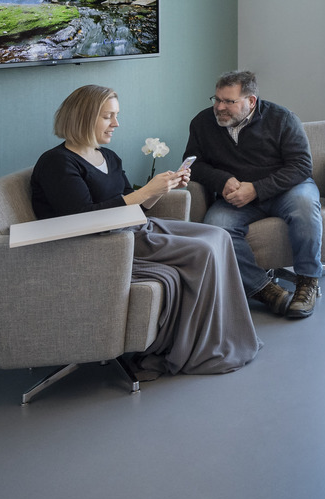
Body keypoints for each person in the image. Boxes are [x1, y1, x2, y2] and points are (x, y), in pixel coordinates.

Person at [30, 85, 261, 376]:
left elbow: (133, 205)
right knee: (202, 251)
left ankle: (231, 336)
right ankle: (197, 350)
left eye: (116, 115)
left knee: (219, 236)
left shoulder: (108, 157)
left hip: (136, 229)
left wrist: (160, 190)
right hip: (106, 245)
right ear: (84, 118)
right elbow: (82, 219)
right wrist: (144, 193)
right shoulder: (57, 163)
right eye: (108, 116)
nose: (116, 123)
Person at [185, 70, 325, 319]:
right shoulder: (202, 123)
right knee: (216, 227)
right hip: (237, 197)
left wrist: (257, 189)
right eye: (217, 99)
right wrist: (223, 180)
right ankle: (266, 290)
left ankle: (307, 283)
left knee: (305, 205)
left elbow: (302, 166)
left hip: (287, 189)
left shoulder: (282, 118)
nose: (219, 107)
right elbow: (194, 164)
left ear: (251, 101)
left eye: (229, 101)